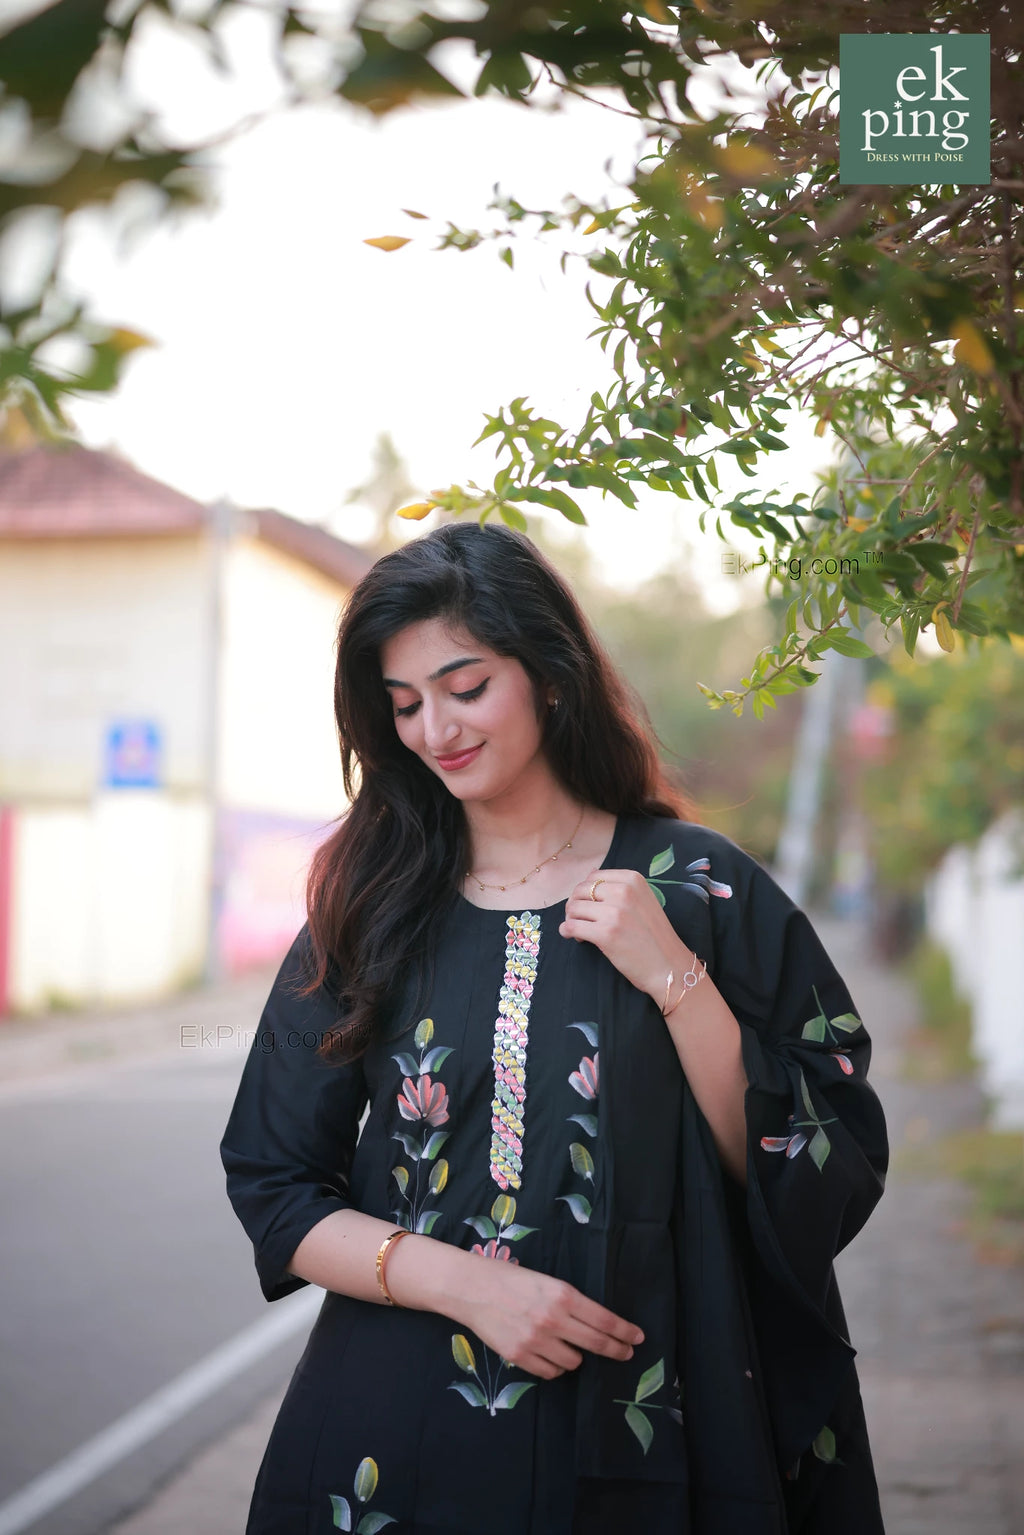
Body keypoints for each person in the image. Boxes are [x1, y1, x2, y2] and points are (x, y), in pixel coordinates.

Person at [220, 521, 889, 1535]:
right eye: (403, 703)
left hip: (656, 1410)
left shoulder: (699, 884)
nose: (433, 727)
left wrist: (673, 975)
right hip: (400, 1435)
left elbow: (812, 1154)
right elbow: (274, 1183)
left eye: (465, 685)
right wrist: (471, 1287)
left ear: (549, 673)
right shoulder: (370, 905)